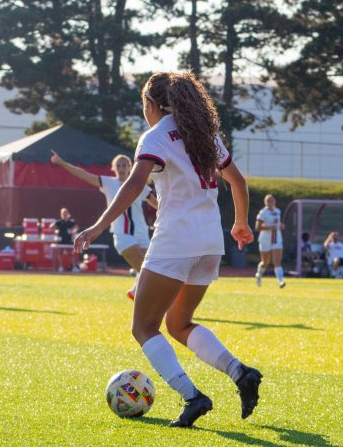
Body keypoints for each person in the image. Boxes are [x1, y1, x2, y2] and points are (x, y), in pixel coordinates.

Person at [73, 71, 261, 427]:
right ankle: (240, 373)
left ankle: (193, 397)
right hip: (210, 242)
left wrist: (98, 225)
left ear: (150, 104)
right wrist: (241, 222)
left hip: (176, 240)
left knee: (143, 327)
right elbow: (237, 179)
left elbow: (133, 184)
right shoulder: (204, 135)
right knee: (178, 323)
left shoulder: (156, 136)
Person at [51, 151, 158, 299]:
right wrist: (62, 163)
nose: (121, 167)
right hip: (122, 234)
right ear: (113, 168)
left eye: (124, 164)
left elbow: (156, 203)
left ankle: (135, 292)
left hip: (142, 234)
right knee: (150, 274)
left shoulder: (139, 185)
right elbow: (84, 174)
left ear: (130, 167)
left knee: (150, 270)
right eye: (118, 165)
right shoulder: (109, 183)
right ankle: (158, 305)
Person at [254, 194, 286, 288]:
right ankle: (259, 275)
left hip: (277, 239)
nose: (270, 203)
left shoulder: (277, 211)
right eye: (268, 201)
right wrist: (270, 228)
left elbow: (278, 224)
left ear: (274, 202)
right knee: (265, 262)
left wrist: (281, 226)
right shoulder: (263, 212)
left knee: (277, 262)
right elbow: (258, 227)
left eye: (271, 200)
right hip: (265, 240)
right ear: (265, 202)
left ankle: (281, 281)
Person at [52, 207, 80, 272]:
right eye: (63, 213)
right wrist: (55, 232)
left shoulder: (70, 222)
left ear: (67, 213)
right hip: (61, 240)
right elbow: (51, 227)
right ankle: (60, 267)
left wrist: (74, 231)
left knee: (70, 253)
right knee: (60, 253)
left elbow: (76, 227)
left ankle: (74, 267)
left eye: (65, 213)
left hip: (68, 240)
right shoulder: (59, 222)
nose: (64, 214)